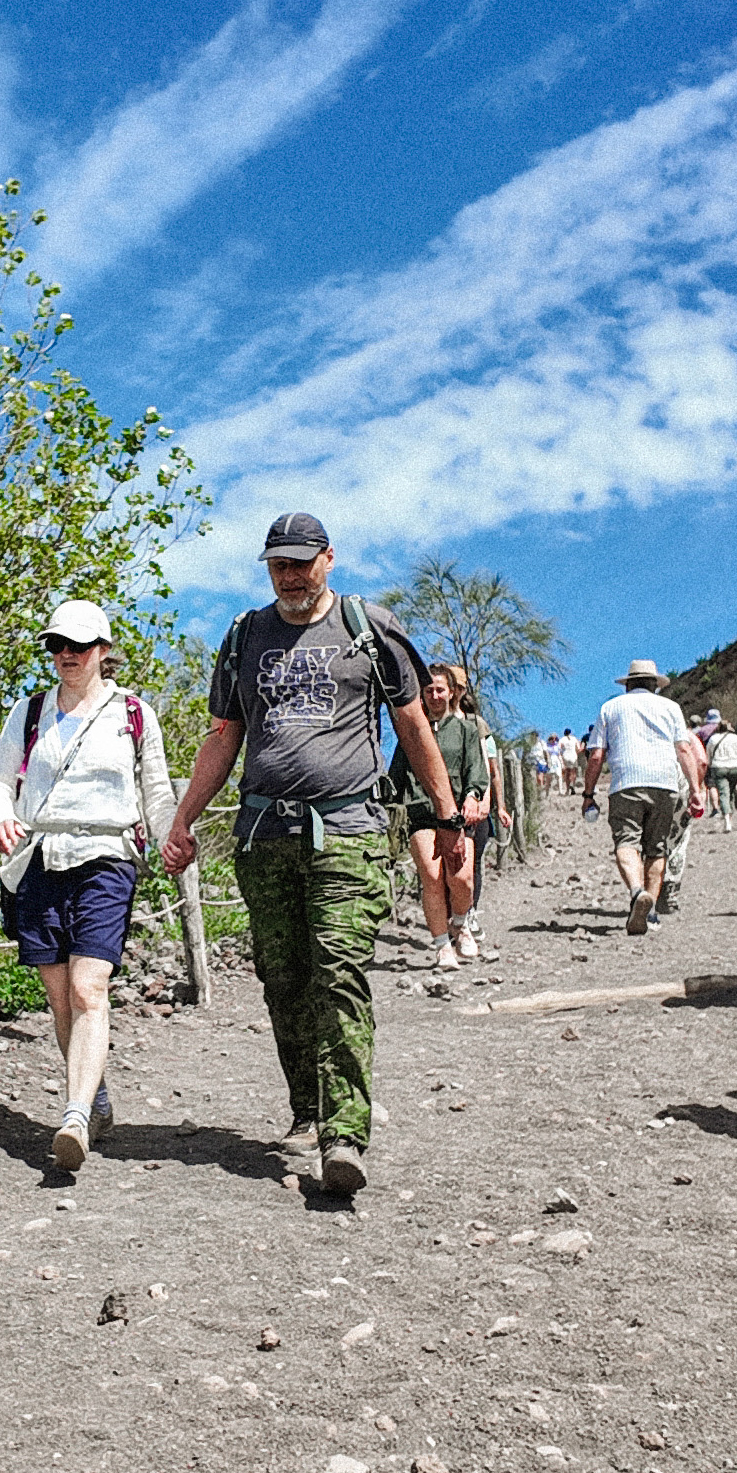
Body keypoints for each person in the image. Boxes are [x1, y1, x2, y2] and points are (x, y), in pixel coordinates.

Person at [163, 513, 460, 1196]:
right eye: (279, 566)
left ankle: (344, 1134)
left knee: (341, 973)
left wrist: (444, 815)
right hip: (264, 837)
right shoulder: (244, 636)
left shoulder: (370, 627)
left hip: (348, 831)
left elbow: (413, 725)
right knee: (283, 977)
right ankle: (307, 1106)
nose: (291, 576)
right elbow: (223, 736)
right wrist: (184, 820)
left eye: (302, 563)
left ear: (329, 558)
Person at [0, 599, 179, 1173]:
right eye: (57, 645)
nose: (67, 655)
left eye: (80, 645)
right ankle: (95, 1097)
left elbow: (157, 792)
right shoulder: (29, 712)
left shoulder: (134, 714)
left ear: (103, 650)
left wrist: (172, 839)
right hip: (39, 857)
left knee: (90, 986)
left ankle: (73, 1116)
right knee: (61, 994)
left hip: (108, 857)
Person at [584, 659, 705, 935]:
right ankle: (650, 914)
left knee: (626, 842)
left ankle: (638, 893)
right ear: (655, 685)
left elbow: (596, 756)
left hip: (626, 783)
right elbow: (684, 751)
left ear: (628, 684)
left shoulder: (610, 707)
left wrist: (588, 794)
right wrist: (695, 791)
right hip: (664, 783)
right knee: (657, 847)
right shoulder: (671, 708)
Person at [389, 663, 493, 969]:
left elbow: (477, 770)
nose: (435, 696)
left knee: (461, 879)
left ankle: (459, 922)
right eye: (429, 690)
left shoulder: (466, 730)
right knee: (432, 878)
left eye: (440, 690)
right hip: (421, 814)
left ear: (451, 693)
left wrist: (474, 797)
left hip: (459, 817)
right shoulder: (411, 733)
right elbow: (396, 776)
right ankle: (442, 946)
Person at [703, 712, 737, 831]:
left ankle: (727, 821)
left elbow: (708, 757)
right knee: (731, 792)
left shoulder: (713, 739)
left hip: (719, 767)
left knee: (724, 793)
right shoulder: (735, 738)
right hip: (735, 767)